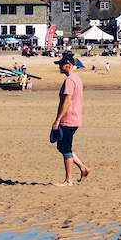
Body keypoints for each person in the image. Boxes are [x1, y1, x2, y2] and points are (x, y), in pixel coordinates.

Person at [52, 52, 89, 186]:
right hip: (75, 118)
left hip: (69, 119)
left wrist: (57, 119)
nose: (59, 67)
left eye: (61, 65)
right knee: (62, 146)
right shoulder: (77, 78)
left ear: (68, 65)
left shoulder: (70, 80)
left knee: (66, 148)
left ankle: (69, 180)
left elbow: (67, 101)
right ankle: (83, 168)